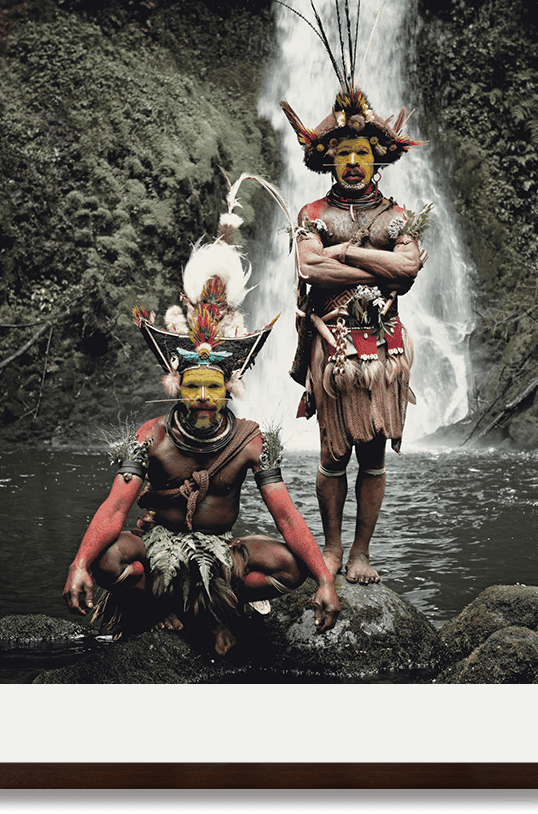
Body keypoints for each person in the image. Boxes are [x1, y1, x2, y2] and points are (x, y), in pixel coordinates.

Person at [62, 178, 340, 656]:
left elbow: (285, 514)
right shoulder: (151, 436)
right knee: (108, 561)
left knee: (290, 569)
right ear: (178, 387)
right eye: (194, 387)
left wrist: (324, 580)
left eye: (214, 387)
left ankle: (208, 606)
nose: (205, 397)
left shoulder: (251, 440)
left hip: (221, 550)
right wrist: (79, 564)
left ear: (229, 387)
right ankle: (172, 609)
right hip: (158, 547)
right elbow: (114, 508)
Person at [281, 86, 429, 586]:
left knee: (373, 452)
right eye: (343, 153)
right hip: (330, 343)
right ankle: (331, 546)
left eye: (361, 153)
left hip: (384, 345)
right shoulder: (313, 214)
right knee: (333, 451)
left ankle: (361, 552)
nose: (352, 163)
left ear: (376, 160)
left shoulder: (398, 217)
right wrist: (377, 266)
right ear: (329, 160)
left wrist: (344, 253)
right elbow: (309, 267)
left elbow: (408, 270)